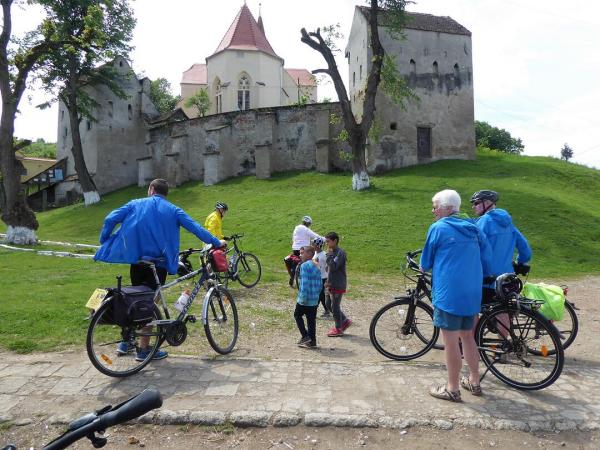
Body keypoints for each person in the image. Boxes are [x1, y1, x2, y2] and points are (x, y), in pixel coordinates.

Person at [94, 179, 225, 361]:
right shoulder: (173, 210)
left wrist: (104, 239)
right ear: (165, 193)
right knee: (148, 305)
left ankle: (126, 342)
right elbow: (196, 228)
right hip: (159, 264)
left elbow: (110, 218)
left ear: (151, 189)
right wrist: (217, 242)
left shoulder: (135, 204)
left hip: (138, 262)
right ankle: (144, 350)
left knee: (135, 300)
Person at [420, 189, 491, 402]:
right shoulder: (474, 228)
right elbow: (486, 259)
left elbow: (426, 262)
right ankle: (474, 381)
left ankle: (452, 388)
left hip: (448, 294)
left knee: (451, 342)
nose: (433, 211)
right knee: (468, 337)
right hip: (471, 293)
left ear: (447, 208)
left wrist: (425, 267)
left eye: (435, 207)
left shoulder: (438, 228)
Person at [470, 190, 532, 303]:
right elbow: (525, 250)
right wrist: (520, 263)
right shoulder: (509, 223)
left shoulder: (483, 222)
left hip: (487, 280)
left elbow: (474, 250)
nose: (473, 207)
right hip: (508, 279)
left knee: (472, 311)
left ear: (487, 203)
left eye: (476, 203)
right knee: (503, 314)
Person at [294, 245, 322, 349]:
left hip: (305, 299)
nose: (300, 255)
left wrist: (302, 298)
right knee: (311, 320)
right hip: (314, 299)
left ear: (310, 254)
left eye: (302, 253)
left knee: (297, 315)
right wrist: (317, 295)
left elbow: (304, 283)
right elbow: (320, 284)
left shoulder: (304, 266)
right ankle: (312, 341)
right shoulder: (317, 265)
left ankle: (305, 336)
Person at [324, 232, 352, 337]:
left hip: (338, 284)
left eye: (328, 241)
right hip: (330, 283)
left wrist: (329, 256)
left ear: (335, 241)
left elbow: (334, 267)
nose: (327, 244)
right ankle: (344, 320)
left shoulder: (340, 253)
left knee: (335, 307)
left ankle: (338, 328)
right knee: (328, 304)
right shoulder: (332, 252)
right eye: (326, 241)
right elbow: (330, 268)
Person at [285, 215, 322, 286]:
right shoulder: (306, 229)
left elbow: (293, 239)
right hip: (304, 249)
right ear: (309, 224)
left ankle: (292, 276)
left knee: (295, 262)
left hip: (295, 249)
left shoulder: (296, 228)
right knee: (312, 258)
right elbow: (315, 236)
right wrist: (324, 239)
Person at [312, 237, 331, 318]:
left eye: (313, 244)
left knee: (319, 296)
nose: (312, 245)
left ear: (318, 245)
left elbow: (328, 267)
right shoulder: (316, 253)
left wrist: (328, 279)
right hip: (317, 277)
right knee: (321, 296)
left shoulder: (324, 255)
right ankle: (327, 310)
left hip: (323, 278)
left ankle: (314, 311)